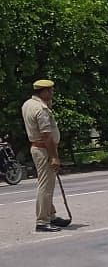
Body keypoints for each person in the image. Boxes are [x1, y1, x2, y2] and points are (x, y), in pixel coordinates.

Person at [21, 79, 67, 232]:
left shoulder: (28, 104)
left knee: (47, 184)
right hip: (44, 149)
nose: (53, 93)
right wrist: (54, 157)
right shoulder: (41, 109)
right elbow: (47, 135)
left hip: (38, 147)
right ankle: (42, 221)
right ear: (44, 91)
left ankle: (51, 215)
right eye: (51, 91)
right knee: (46, 186)